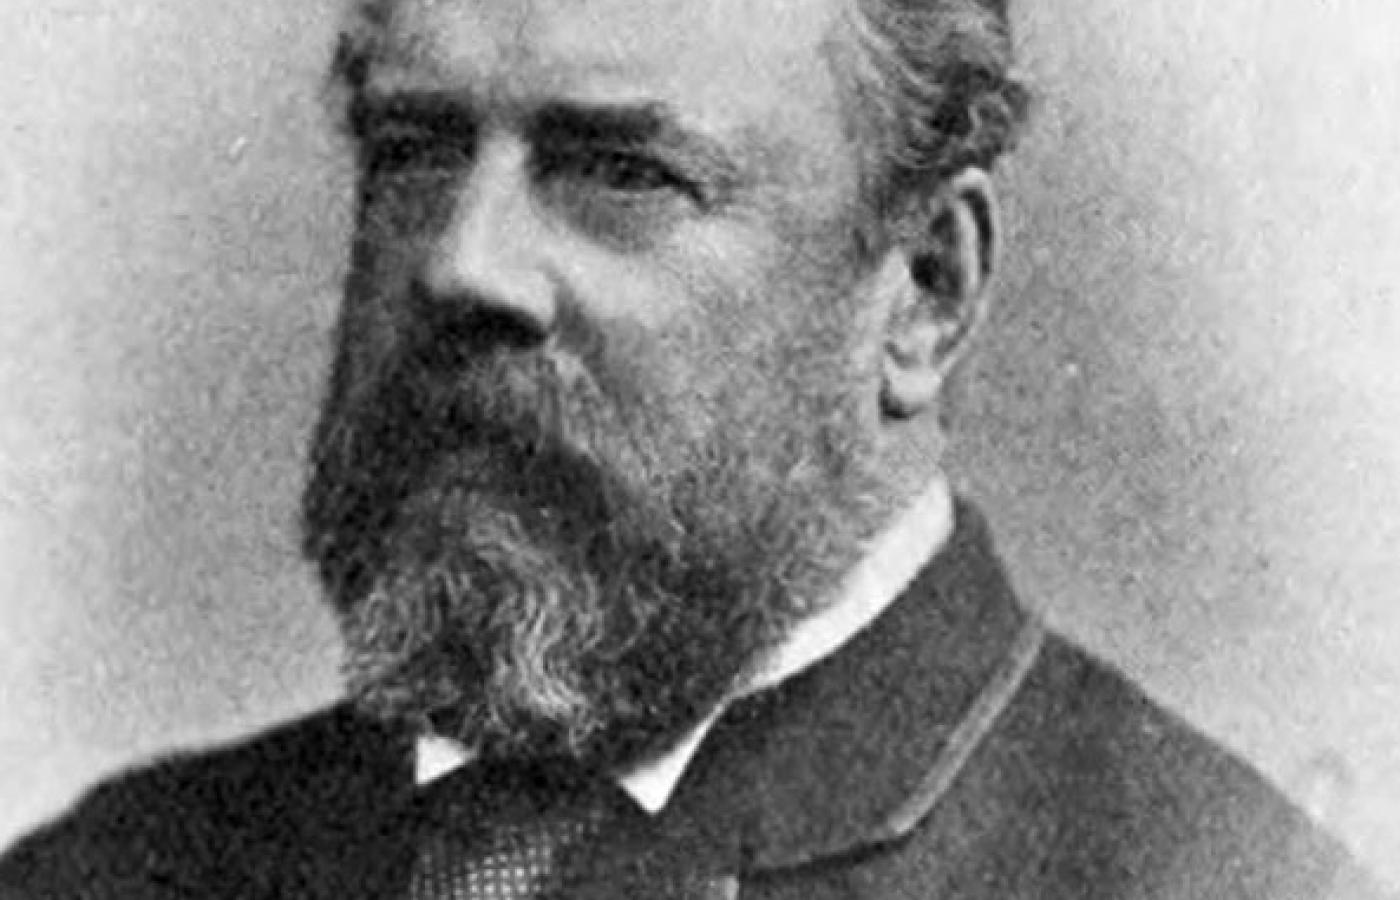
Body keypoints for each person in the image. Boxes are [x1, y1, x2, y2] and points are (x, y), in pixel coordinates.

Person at [1, 0, 1390, 897]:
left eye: (621, 171)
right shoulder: (110, 873)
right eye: (415, 150)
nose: (462, 267)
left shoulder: (1219, 878)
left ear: (925, 290)